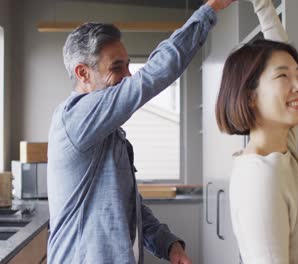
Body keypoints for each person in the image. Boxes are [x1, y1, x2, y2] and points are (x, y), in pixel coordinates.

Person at [47, 1, 235, 263]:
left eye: (127, 65)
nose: (128, 75)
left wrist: (168, 245)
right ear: (83, 73)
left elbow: (128, 207)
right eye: (116, 67)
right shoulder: (74, 118)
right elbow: (150, 77)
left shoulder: (109, 133)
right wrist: (209, 9)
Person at [216, 0, 298, 263]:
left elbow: (278, 44)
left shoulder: (285, 150)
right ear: (250, 97)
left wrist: (262, 4)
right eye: (283, 76)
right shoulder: (259, 176)